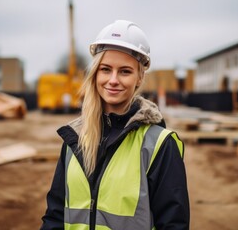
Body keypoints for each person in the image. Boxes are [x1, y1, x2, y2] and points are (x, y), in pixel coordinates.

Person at [40, 20, 190, 230]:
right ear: (95, 73)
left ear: (139, 77)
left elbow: (173, 224)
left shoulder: (159, 146)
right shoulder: (74, 139)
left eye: (125, 71)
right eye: (106, 69)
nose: (113, 80)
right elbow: (55, 216)